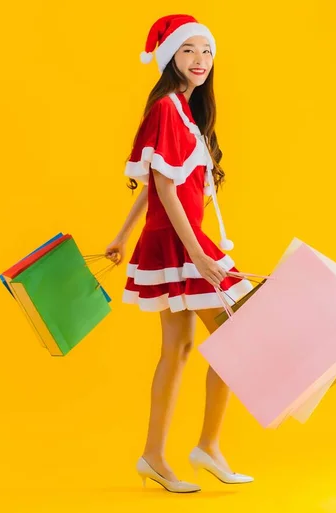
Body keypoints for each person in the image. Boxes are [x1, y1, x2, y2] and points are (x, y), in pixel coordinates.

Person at [105, 14, 255, 493]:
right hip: (180, 240)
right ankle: (202, 448)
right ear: (170, 56)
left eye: (206, 52)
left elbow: (151, 184)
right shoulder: (168, 108)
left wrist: (122, 235)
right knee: (234, 336)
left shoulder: (186, 113)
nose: (200, 61)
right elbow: (166, 188)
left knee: (180, 349)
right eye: (188, 51)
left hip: (174, 239)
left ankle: (161, 455)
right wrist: (200, 255)